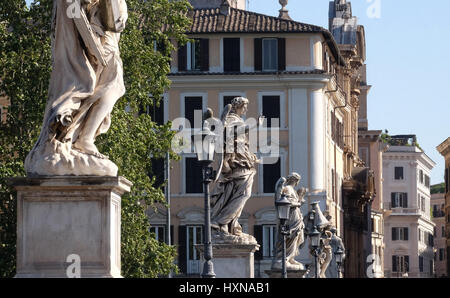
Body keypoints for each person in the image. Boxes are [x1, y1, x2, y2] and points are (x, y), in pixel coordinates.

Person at [25, 0, 128, 176]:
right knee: (113, 84)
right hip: (97, 38)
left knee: (112, 86)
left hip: (100, 36)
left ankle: (82, 137)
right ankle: (84, 137)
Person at [210, 97, 262, 238]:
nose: (246, 109)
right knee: (244, 193)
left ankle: (228, 224)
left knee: (237, 194)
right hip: (237, 162)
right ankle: (220, 221)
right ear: (238, 106)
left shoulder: (236, 119)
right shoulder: (232, 118)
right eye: (244, 106)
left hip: (242, 159)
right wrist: (255, 124)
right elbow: (231, 133)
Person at [272, 173, 306, 271]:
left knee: (296, 236)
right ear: (295, 181)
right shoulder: (287, 188)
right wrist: (298, 203)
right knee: (290, 236)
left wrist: (299, 202)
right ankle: (284, 258)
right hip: (290, 215)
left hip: (295, 214)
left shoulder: (293, 190)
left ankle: (290, 258)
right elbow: (284, 201)